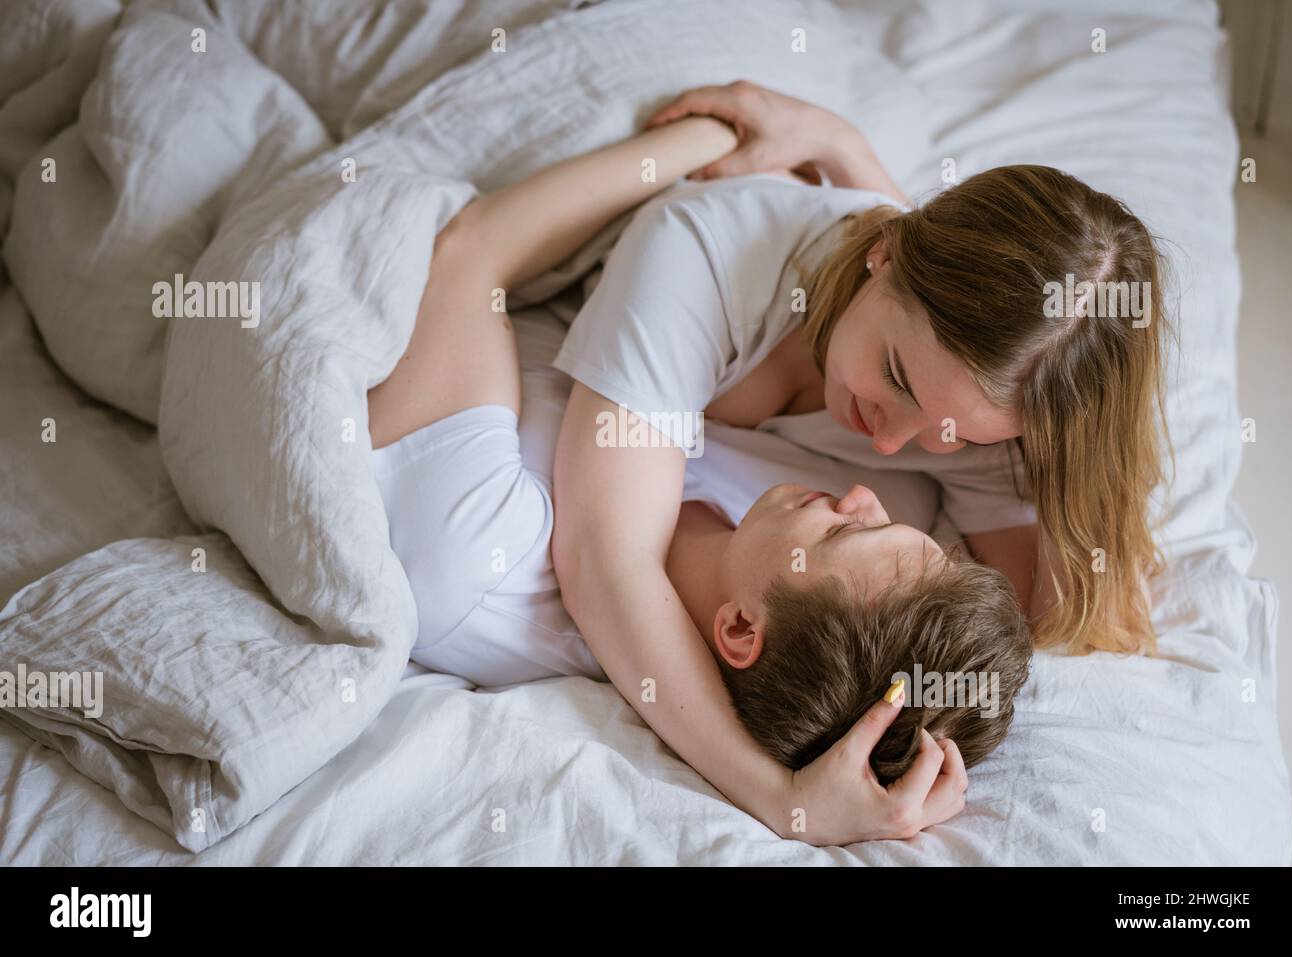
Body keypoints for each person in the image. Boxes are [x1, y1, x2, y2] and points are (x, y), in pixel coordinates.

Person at [367, 115, 1033, 845]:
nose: (869, 488)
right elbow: (939, 329)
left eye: (848, 528)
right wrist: (840, 151)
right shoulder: (862, 509)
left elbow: (467, 252)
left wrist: (704, 142)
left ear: (741, 629)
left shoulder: (475, 554)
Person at [550, 82, 1168, 847]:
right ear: (883, 255)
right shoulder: (697, 252)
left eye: (950, 435)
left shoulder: (987, 400)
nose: (886, 446)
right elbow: (602, 557)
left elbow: (1030, 607)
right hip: (660, 169)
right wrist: (782, 797)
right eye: (896, 379)